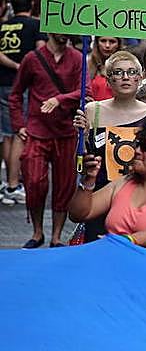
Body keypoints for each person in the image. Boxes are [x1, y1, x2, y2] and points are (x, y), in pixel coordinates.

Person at [67, 119, 146, 262]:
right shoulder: (124, 183)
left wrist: (118, 241)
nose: (137, 151)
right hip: (116, 269)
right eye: (137, 144)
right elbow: (78, 214)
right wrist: (88, 180)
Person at [73, 50, 146, 242]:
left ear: (140, 78)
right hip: (100, 198)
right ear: (108, 79)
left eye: (131, 72)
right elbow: (79, 163)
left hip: (140, 199)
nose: (125, 77)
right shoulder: (92, 111)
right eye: (118, 72)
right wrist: (80, 137)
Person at [8, 32, 82, 248]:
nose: (63, 33)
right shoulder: (32, 58)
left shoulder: (77, 58)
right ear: (49, 30)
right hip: (37, 131)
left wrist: (59, 99)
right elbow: (15, 94)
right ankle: (37, 232)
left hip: (66, 131)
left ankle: (56, 236)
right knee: (33, 181)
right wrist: (18, 125)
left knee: (65, 185)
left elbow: (84, 91)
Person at [0, 0, 41, 204]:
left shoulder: (3, 26)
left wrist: (12, 64)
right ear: (32, 6)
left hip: (3, 83)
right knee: (19, 133)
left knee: (7, 134)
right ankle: (14, 184)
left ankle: (9, 182)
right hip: (24, 86)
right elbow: (40, 52)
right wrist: (21, 66)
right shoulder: (35, 26)